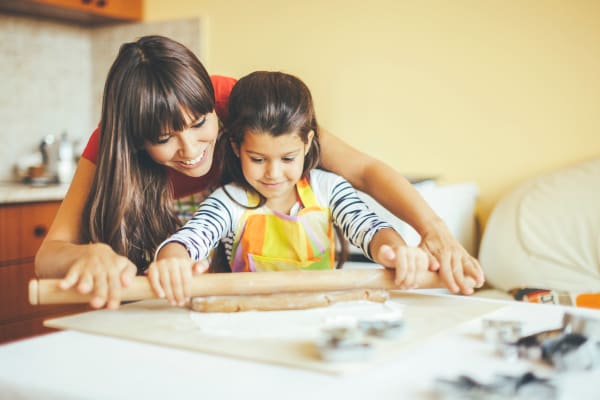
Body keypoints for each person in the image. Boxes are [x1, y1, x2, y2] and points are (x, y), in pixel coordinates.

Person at [35, 35, 484, 310]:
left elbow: (362, 173)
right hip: (169, 299)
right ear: (133, 139)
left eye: (199, 125)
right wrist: (87, 255)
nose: (191, 151)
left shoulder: (239, 105)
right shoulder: (109, 148)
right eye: (165, 139)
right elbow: (50, 252)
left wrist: (431, 232)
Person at [148, 71, 432, 306]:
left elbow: (370, 228)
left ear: (307, 143)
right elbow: (190, 239)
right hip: (247, 322)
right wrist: (173, 261)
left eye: (288, 158)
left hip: (321, 318)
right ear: (236, 147)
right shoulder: (228, 201)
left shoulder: (328, 189)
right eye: (258, 159)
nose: (273, 173)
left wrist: (396, 251)